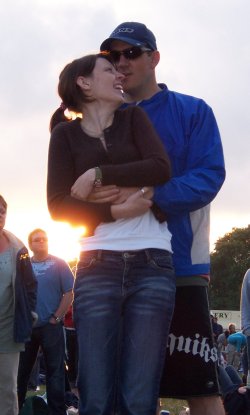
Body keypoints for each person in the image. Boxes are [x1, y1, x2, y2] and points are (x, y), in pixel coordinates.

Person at [99, 21, 226, 415]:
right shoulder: (102, 117)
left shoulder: (192, 110)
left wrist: (151, 197)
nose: (122, 62)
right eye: (112, 56)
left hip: (179, 264)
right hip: (112, 264)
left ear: (154, 58)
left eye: (131, 53)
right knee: (132, 390)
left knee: (198, 384)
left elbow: (209, 175)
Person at [47, 53, 175, 415]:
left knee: (138, 397)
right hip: (97, 264)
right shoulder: (64, 136)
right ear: (83, 83)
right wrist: (115, 210)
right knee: (97, 397)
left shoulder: (134, 117)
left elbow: (160, 167)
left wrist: (97, 175)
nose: (119, 74)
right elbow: (58, 205)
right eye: (108, 69)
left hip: (152, 262)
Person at [17, 228, 74, 415]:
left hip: (51, 327)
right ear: (30, 244)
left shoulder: (60, 264)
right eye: (36, 240)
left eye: (44, 239)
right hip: (28, 328)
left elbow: (69, 293)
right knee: (21, 372)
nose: (41, 242)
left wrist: (56, 317)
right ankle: (15, 408)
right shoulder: (24, 266)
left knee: (55, 372)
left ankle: (57, 411)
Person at [0, 195, 37, 415]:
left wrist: (30, 313)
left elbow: (31, 285)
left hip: (7, 328)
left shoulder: (18, 248)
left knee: (7, 389)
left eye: (2, 211)